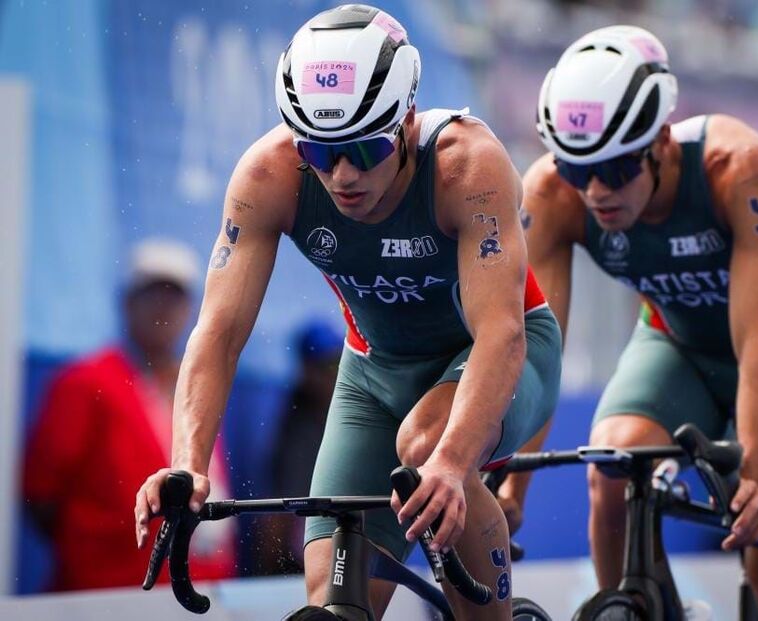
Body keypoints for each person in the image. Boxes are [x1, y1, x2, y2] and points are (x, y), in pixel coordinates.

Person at [134, 5, 561, 619]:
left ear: (406, 119)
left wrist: (452, 460)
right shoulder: (270, 172)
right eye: (319, 150)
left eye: (364, 148)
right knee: (333, 599)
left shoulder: (466, 164)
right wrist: (188, 465)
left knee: (426, 442)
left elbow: (500, 332)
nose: (341, 175)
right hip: (373, 373)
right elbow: (219, 332)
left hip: (496, 354)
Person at [500, 26, 758, 620]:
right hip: (677, 343)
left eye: (615, 169)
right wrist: (511, 486)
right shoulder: (553, 193)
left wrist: (755, 478)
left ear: (661, 139)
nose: (596, 192)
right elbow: (537, 352)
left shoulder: (739, 169)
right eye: (580, 170)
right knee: (612, 465)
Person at [22, 238, 235, 591]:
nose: (163, 308)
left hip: (199, 590)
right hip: (110, 592)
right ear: (126, 303)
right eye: (152, 294)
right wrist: (101, 552)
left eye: (175, 297)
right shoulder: (85, 382)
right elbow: (40, 494)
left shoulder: (197, 386)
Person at [258, 320, 343, 575]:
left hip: (345, 547)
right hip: (306, 556)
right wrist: (272, 570)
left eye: (339, 364)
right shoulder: (295, 425)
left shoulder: (350, 413)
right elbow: (279, 511)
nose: (333, 375)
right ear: (306, 369)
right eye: (325, 366)